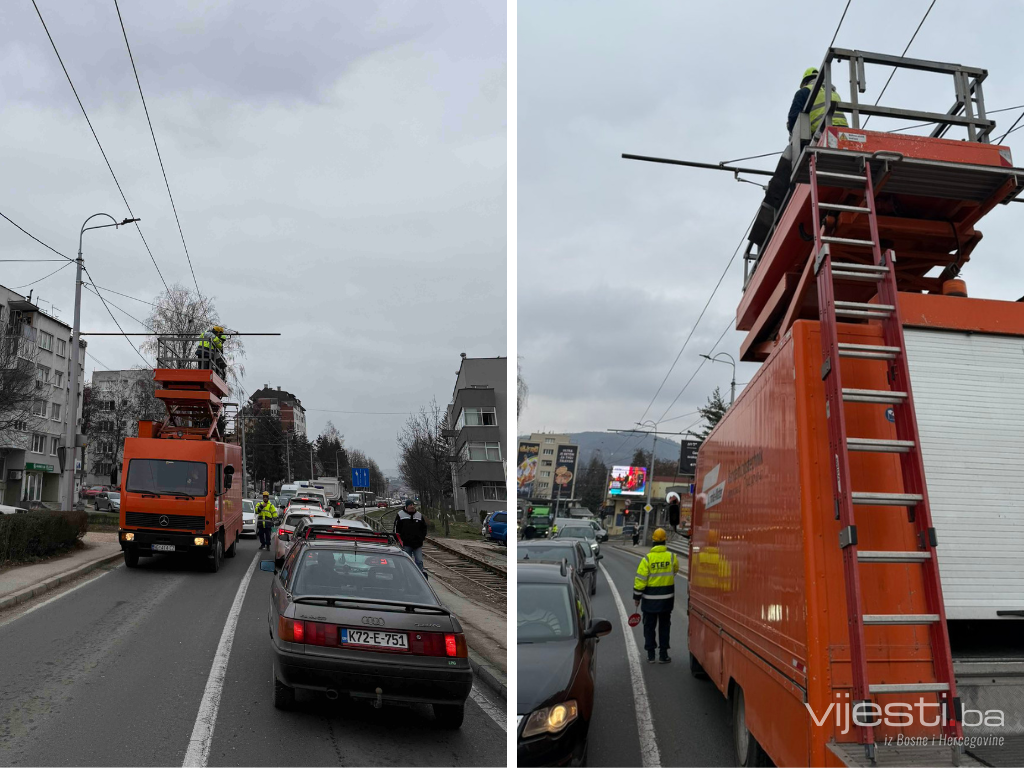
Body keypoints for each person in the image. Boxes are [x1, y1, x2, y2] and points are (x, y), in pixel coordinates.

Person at [633, 528, 679, 664]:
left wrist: (637, 597)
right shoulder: (672, 557)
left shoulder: (647, 559)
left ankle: (651, 654)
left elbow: (640, 580)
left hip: (649, 601)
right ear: (665, 540)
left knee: (649, 627)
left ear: (653, 541)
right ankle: (663, 655)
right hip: (666, 601)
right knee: (664, 626)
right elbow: (675, 570)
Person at [394, 499, 427, 576]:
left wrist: (422, 537)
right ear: (406, 506)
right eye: (410, 505)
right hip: (406, 543)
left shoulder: (419, 515)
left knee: (419, 561)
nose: (412, 507)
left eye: (413, 505)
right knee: (406, 561)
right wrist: (397, 539)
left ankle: (420, 576)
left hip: (417, 544)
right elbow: (396, 528)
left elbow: (424, 527)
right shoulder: (400, 515)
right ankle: (406, 575)